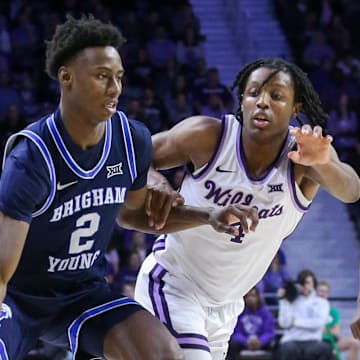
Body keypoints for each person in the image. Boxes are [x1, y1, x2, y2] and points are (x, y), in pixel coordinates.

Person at [0, 15, 259, 360]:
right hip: (19, 297)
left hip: (82, 293)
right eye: (102, 76)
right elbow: (2, 272)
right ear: (66, 77)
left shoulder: (131, 139)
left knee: (164, 353)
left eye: (119, 77)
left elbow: (136, 216)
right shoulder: (32, 157)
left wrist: (209, 215)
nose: (115, 88)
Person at [134, 57, 360, 360]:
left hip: (228, 306)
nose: (262, 102)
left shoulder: (303, 158)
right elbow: (137, 155)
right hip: (174, 284)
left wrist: (322, 163)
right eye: (253, 93)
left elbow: (352, 190)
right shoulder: (207, 136)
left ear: (296, 108)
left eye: (276, 96)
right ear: (242, 100)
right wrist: (156, 181)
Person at [276, 269, 333, 360]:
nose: (305, 286)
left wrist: (295, 322)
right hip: (292, 340)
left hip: (313, 341)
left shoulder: (322, 302)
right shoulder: (291, 300)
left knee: (325, 348)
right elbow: (284, 323)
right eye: (302, 282)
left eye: (308, 282)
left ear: (313, 284)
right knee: (286, 348)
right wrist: (284, 301)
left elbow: (318, 324)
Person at [226, 287, 275, 360]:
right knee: (232, 345)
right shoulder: (239, 313)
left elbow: (269, 332)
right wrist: (246, 341)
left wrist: (260, 341)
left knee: (274, 345)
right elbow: (235, 332)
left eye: (252, 295)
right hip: (244, 342)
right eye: (247, 296)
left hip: (261, 342)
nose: (250, 298)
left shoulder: (266, 313)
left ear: (258, 297)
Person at [317, 280, 360, 360]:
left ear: (328, 294)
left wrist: (318, 327)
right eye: (321, 291)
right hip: (314, 342)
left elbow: (336, 331)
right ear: (316, 292)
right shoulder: (310, 308)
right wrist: (326, 329)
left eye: (325, 292)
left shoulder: (333, 312)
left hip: (331, 342)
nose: (323, 294)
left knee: (355, 342)